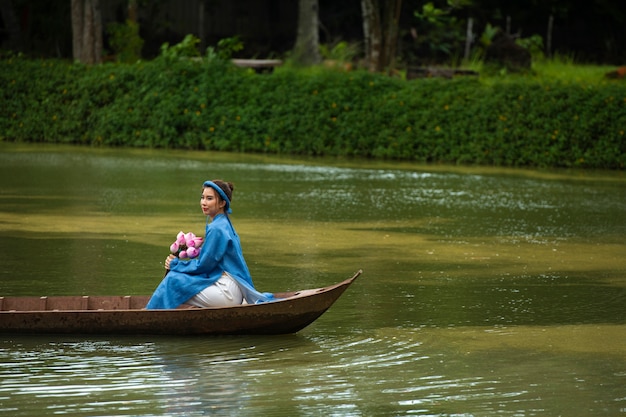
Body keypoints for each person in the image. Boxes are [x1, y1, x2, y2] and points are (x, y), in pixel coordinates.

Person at [146, 179, 274, 309]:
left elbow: (204, 266)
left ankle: (149, 316)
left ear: (222, 203)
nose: (204, 202)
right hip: (230, 288)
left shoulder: (217, 228)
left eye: (209, 198)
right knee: (178, 278)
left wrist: (176, 264)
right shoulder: (223, 223)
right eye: (202, 198)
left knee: (172, 281)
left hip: (227, 292)